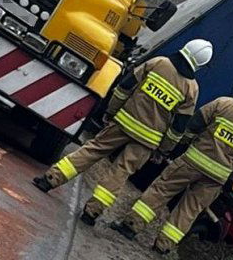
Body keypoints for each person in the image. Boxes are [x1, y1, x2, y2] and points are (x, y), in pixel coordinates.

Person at [31, 39, 214, 225]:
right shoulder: (192, 89)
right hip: (147, 141)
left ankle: (50, 179)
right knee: (121, 171)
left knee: (92, 150)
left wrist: (110, 111)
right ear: (200, 64)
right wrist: (163, 149)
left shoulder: (157, 63)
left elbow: (124, 88)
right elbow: (178, 127)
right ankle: (92, 212)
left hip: (122, 123)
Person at [109, 78, 233, 255]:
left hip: (192, 162)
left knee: (162, 190)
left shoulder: (224, 104)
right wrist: (228, 178)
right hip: (216, 179)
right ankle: (163, 246)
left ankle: (131, 226)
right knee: (189, 210)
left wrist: (179, 146)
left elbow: (194, 125)